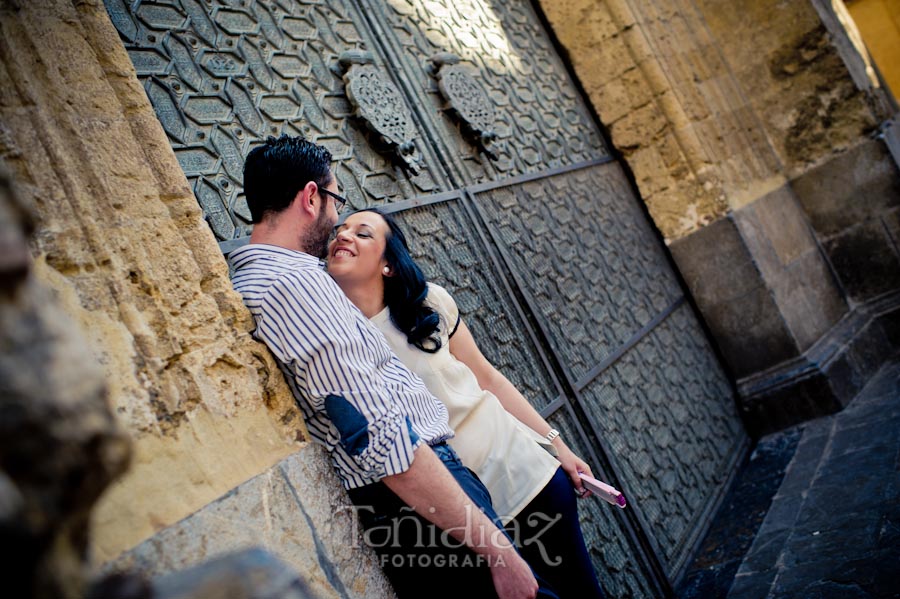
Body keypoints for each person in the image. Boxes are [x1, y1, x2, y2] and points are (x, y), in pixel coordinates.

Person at [228, 135, 556, 599]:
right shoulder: (292, 286)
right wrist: (496, 551)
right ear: (310, 197)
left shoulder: (287, 278)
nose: (337, 219)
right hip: (418, 506)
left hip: (422, 502)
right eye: (335, 198)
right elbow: (379, 435)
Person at [327, 208, 606, 599]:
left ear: (388, 264)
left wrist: (557, 445)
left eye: (363, 233)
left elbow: (488, 378)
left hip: (527, 476)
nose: (344, 235)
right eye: (340, 230)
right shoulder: (336, 342)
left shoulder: (430, 305)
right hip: (466, 519)